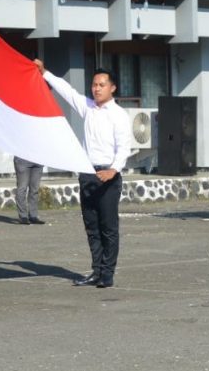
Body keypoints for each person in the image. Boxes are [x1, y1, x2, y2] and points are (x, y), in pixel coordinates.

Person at [35, 60, 132, 288]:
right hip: (88, 174)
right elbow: (67, 91)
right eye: (94, 85)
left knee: (108, 227)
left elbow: (124, 146)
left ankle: (107, 273)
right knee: (91, 226)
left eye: (101, 85)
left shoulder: (118, 115)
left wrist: (114, 170)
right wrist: (45, 72)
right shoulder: (87, 107)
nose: (96, 88)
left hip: (108, 176)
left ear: (112, 88)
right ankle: (96, 270)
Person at [13, 156, 46, 225]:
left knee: (35, 189)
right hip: (22, 159)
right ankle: (23, 216)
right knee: (22, 188)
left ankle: (33, 216)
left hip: (38, 160)